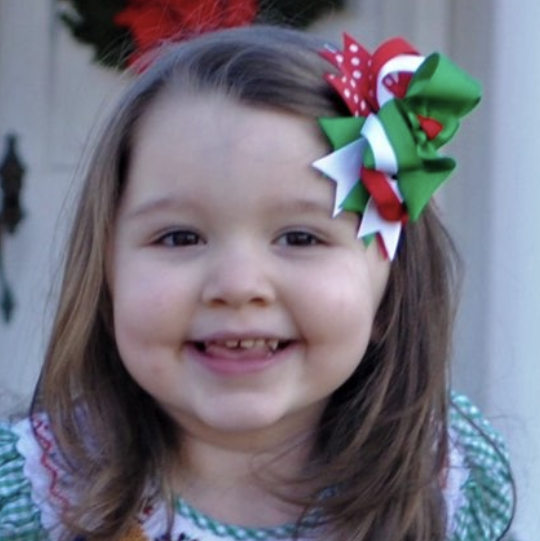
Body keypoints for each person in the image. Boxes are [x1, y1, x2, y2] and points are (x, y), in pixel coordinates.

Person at [0, 25, 514, 541]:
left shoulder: (446, 486)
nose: (238, 285)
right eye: (180, 237)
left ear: (391, 291)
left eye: (299, 237)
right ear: (107, 275)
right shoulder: (34, 497)